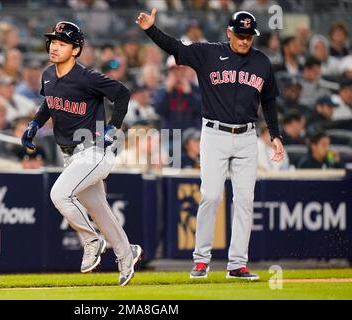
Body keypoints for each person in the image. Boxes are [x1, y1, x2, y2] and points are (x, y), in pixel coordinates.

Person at [137, 9, 284, 280]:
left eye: (249, 36)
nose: (244, 41)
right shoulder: (208, 54)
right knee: (211, 196)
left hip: (247, 136)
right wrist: (150, 30)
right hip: (214, 134)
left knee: (244, 201)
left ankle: (237, 264)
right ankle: (201, 260)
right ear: (229, 32)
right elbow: (175, 47)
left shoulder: (262, 62)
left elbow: (270, 101)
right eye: (240, 35)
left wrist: (275, 135)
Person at [20, 21, 142, 286]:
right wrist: (34, 124)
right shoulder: (48, 75)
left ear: (76, 49)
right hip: (71, 156)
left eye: (62, 43)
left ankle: (91, 241)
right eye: (53, 41)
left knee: (59, 194)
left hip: (94, 150)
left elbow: (122, 93)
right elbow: (48, 103)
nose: (55, 46)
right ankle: (126, 253)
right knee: (100, 211)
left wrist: (114, 126)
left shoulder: (86, 77)